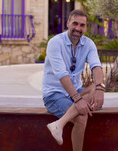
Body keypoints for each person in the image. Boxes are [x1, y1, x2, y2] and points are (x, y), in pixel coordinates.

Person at [42, 9, 105, 151]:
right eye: (75, 23)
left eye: (82, 25)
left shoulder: (89, 44)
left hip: (75, 91)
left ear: (86, 28)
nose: (78, 28)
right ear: (68, 23)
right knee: (82, 117)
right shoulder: (55, 43)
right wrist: (77, 99)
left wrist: (100, 88)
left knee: (94, 88)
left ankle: (59, 124)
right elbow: (62, 75)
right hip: (54, 94)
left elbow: (96, 66)